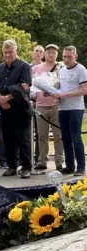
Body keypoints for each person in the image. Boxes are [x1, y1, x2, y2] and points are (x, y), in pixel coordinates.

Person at [0, 39, 33, 179]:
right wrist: (0, 99)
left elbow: (26, 85)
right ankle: (12, 166)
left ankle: (26, 167)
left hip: (21, 109)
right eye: (5, 52)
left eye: (10, 52)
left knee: (23, 140)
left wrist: (7, 98)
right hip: (5, 110)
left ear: (16, 51)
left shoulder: (24, 66)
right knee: (7, 139)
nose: (8, 55)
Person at [53, 46, 87, 176]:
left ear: (75, 56)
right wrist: (53, 93)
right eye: (64, 57)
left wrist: (65, 95)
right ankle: (69, 166)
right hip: (62, 108)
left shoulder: (81, 70)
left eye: (69, 56)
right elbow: (58, 88)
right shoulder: (61, 70)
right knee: (65, 138)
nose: (66, 59)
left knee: (76, 138)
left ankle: (81, 167)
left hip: (75, 108)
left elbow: (84, 90)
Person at [31, 44, 64, 171]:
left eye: (53, 52)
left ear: (57, 54)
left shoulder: (61, 68)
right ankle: (42, 160)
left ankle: (59, 161)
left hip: (57, 105)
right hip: (41, 104)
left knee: (58, 135)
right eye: (49, 52)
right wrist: (34, 95)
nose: (51, 54)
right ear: (44, 54)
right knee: (42, 135)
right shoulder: (36, 68)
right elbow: (33, 86)